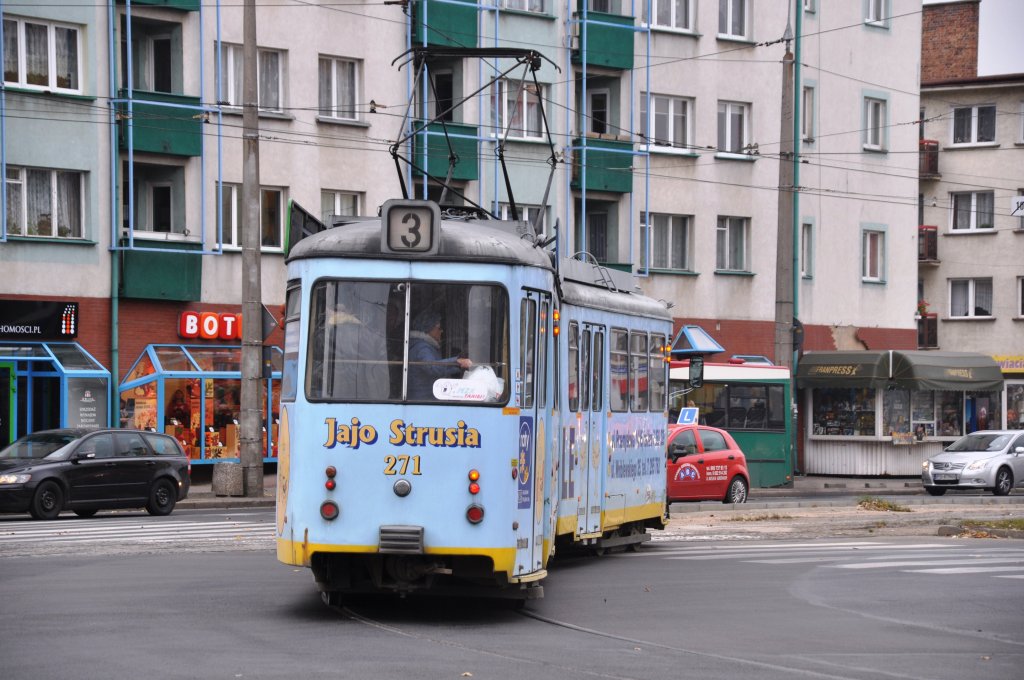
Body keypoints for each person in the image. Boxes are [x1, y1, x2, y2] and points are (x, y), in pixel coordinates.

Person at [407, 310, 472, 400]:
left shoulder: (425, 345)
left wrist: (458, 367)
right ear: (429, 329)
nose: (441, 331)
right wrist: (457, 361)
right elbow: (433, 368)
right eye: (439, 328)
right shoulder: (422, 348)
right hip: (423, 400)